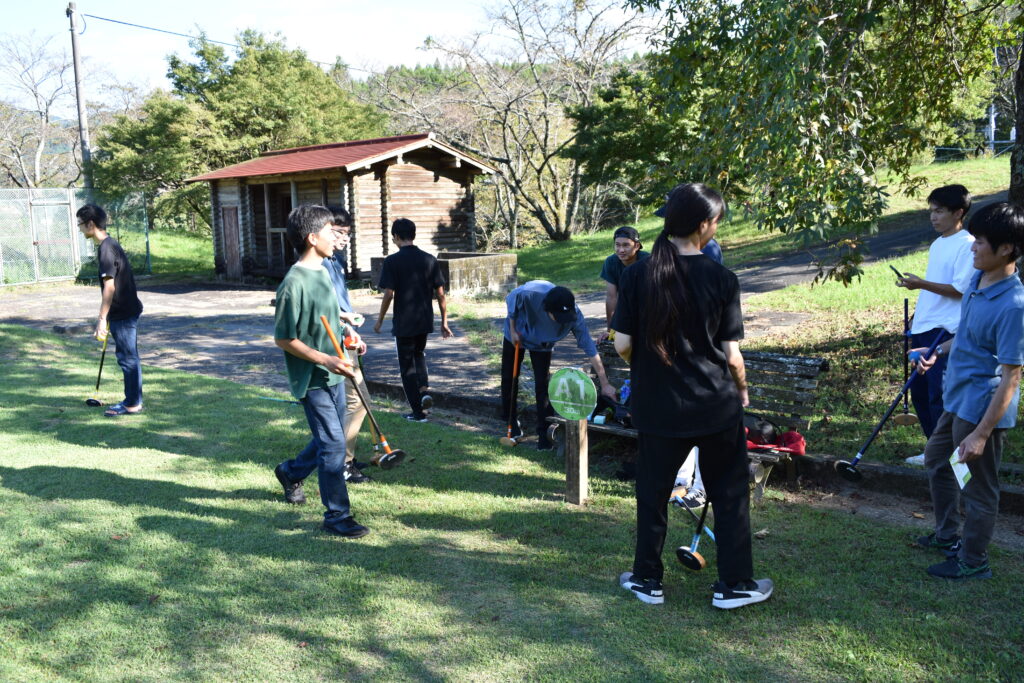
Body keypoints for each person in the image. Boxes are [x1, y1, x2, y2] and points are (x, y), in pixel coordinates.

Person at [612, 182, 771, 609]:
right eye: (717, 221)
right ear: (704, 224)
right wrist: (741, 389)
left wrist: (649, 369)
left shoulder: (636, 275)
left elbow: (622, 344)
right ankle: (734, 586)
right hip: (714, 404)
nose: (717, 227)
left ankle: (647, 580)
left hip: (657, 406)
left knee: (652, 495)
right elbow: (732, 356)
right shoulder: (722, 278)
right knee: (730, 496)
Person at [913, 201, 1024, 580]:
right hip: (957, 399)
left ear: (1006, 248)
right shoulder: (979, 280)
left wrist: (981, 434)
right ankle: (948, 535)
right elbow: (968, 336)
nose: (972, 247)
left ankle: (974, 560)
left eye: (979, 242)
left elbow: (1011, 377)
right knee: (935, 459)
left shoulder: (1013, 306)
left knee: (978, 486)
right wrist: (935, 352)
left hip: (981, 409)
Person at [272, 204, 368, 539]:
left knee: (331, 439)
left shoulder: (323, 271)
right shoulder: (293, 283)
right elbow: (284, 338)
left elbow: (325, 314)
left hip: (335, 371)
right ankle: (337, 516)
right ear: (313, 238)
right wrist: (325, 359)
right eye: (331, 231)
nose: (337, 237)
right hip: (313, 378)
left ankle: (291, 472)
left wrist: (347, 328)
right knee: (333, 447)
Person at [896, 184, 976, 465]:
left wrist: (920, 284)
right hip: (924, 326)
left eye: (939, 211)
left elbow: (960, 289)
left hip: (945, 329)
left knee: (938, 395)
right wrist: (917, 314)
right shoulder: (938, 243)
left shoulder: (967, 245)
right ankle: (933, 449)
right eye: (931, 211)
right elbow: (936, 286)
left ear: (959, 212)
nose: (933, 217)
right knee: (919, 392)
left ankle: (950, 455)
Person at [502, 281, 617, 450]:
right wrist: (512, 330)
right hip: (517, 334)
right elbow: (512, 299)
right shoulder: (530, 293)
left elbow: (590, 349)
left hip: (542, 344)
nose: (563, 322)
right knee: (509, 378)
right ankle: (511, 424)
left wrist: (605, 384)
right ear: (547, 310)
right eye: (558, 317)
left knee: (542, 385)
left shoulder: (574, 317)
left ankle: (544, 436)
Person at [374, 218, 453, 421]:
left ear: (396, 236)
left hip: (404, 322)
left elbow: (389, 294)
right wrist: (444, 322)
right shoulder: (430, 259)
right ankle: (424, 391)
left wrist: (380, 319)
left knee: (407, 366)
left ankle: (418, 413)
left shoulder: (392, 261)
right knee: (419, 355)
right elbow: (441, 294)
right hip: (424, 319)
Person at [77, 204, 144, 417]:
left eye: (80, 224)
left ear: (90, 224)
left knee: (127, 358)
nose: (79, 228)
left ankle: (132, 403)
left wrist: (101, 318)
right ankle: (133, 400)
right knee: (128, 357)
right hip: (125, 310)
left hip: (122, 312)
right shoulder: (110, 244)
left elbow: (110, 286)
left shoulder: (106, 249)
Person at [324, 206, 372, 484]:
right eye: (339, 233)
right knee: (356, 400)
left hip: (345, 338)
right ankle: (341, 462)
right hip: (332, 344)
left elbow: (340, 304)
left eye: (347, 234)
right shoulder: (318, 265)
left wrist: (352, 331)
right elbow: (324, 308)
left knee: (355, 401)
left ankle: (345, 457)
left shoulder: (335, 261)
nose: (344, 239)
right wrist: (345, 328)